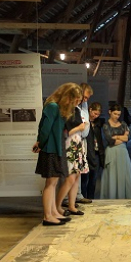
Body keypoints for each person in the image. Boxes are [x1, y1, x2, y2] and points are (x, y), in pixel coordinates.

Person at [33, 83, 77, 226]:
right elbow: (45, 129)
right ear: (66, 96)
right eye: (72, 99)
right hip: (50, 149)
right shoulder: (52, 107)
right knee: (50, 184)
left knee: (54, 182)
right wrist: (40, 143)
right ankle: (47, 216)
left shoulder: (58, 108)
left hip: (57, 148)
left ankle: (53, 212)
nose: (72, 103)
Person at [56, 84, 87, 216]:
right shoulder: (65, 111)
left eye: (80, 100)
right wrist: (80, 127)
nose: (78, 101)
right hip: (70, 144)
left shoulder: (77, 110)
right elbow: (66, 132)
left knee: (76, 176)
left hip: (78, 142)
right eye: (77, 99)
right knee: (70, 177)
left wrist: (81, 128)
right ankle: (57, 206)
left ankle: (72, 205)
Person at [100, 104, 131, 199]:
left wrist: (117, 137)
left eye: (118, 114)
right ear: (110, 112)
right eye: (115, 114)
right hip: (111, 152)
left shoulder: (123, 124)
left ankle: (123, 195)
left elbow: (128, 137)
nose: (116, 116)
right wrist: (122, 137)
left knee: (124, 174)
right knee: (112, 174)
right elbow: (110, 140)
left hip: (122, 151)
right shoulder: (106, 125)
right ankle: (111, 195)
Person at [76, 83, 94, 205]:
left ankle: (77, 195)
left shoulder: (83, 106)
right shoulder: (74, 107)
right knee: (73, 171)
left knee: (79, 170)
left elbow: (86, 123)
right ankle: (68, 199)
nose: (86, 100)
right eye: (85, 97)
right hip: (74, 140)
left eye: (87, 98)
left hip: (83, 140)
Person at [85, 102, 105, 200]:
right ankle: (83, 197)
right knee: (85, 178)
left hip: (97, 152)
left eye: (98, 114)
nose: (95, 116)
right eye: (94, 113)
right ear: (90, 109)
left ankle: (90, 198)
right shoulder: (84, 121)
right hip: (87, 152)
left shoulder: (98, 123)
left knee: (94, 178)